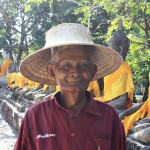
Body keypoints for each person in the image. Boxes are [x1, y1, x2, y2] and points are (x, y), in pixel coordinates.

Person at [14, 23, 127, 150]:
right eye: (65, 66)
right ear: (52, 71)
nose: (75, 72)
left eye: (83, 66)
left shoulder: (109, 117)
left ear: (92, 71)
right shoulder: (35, 116)